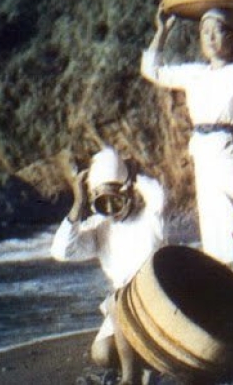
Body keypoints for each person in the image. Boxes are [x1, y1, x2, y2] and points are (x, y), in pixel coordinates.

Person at [140, 0, 233, 286]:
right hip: (206, 159)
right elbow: (153, 69)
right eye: (204, 32)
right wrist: (162, 31)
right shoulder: (195, 73)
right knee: (217, 243)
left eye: (219, 31)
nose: (210, 38)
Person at [50, 146, 166, 385]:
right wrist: (78, 203)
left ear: (128, 193)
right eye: (104, 204)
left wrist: (134, 177)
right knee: (101, 354)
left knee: (118, 300)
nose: (112, 210)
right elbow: (62, 251)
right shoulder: (99, 228)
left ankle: (130, 378)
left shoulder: (152, 218)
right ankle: (146, 365)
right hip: (126, 315)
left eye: (116, 200)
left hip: (159, 302)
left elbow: (158, 195)